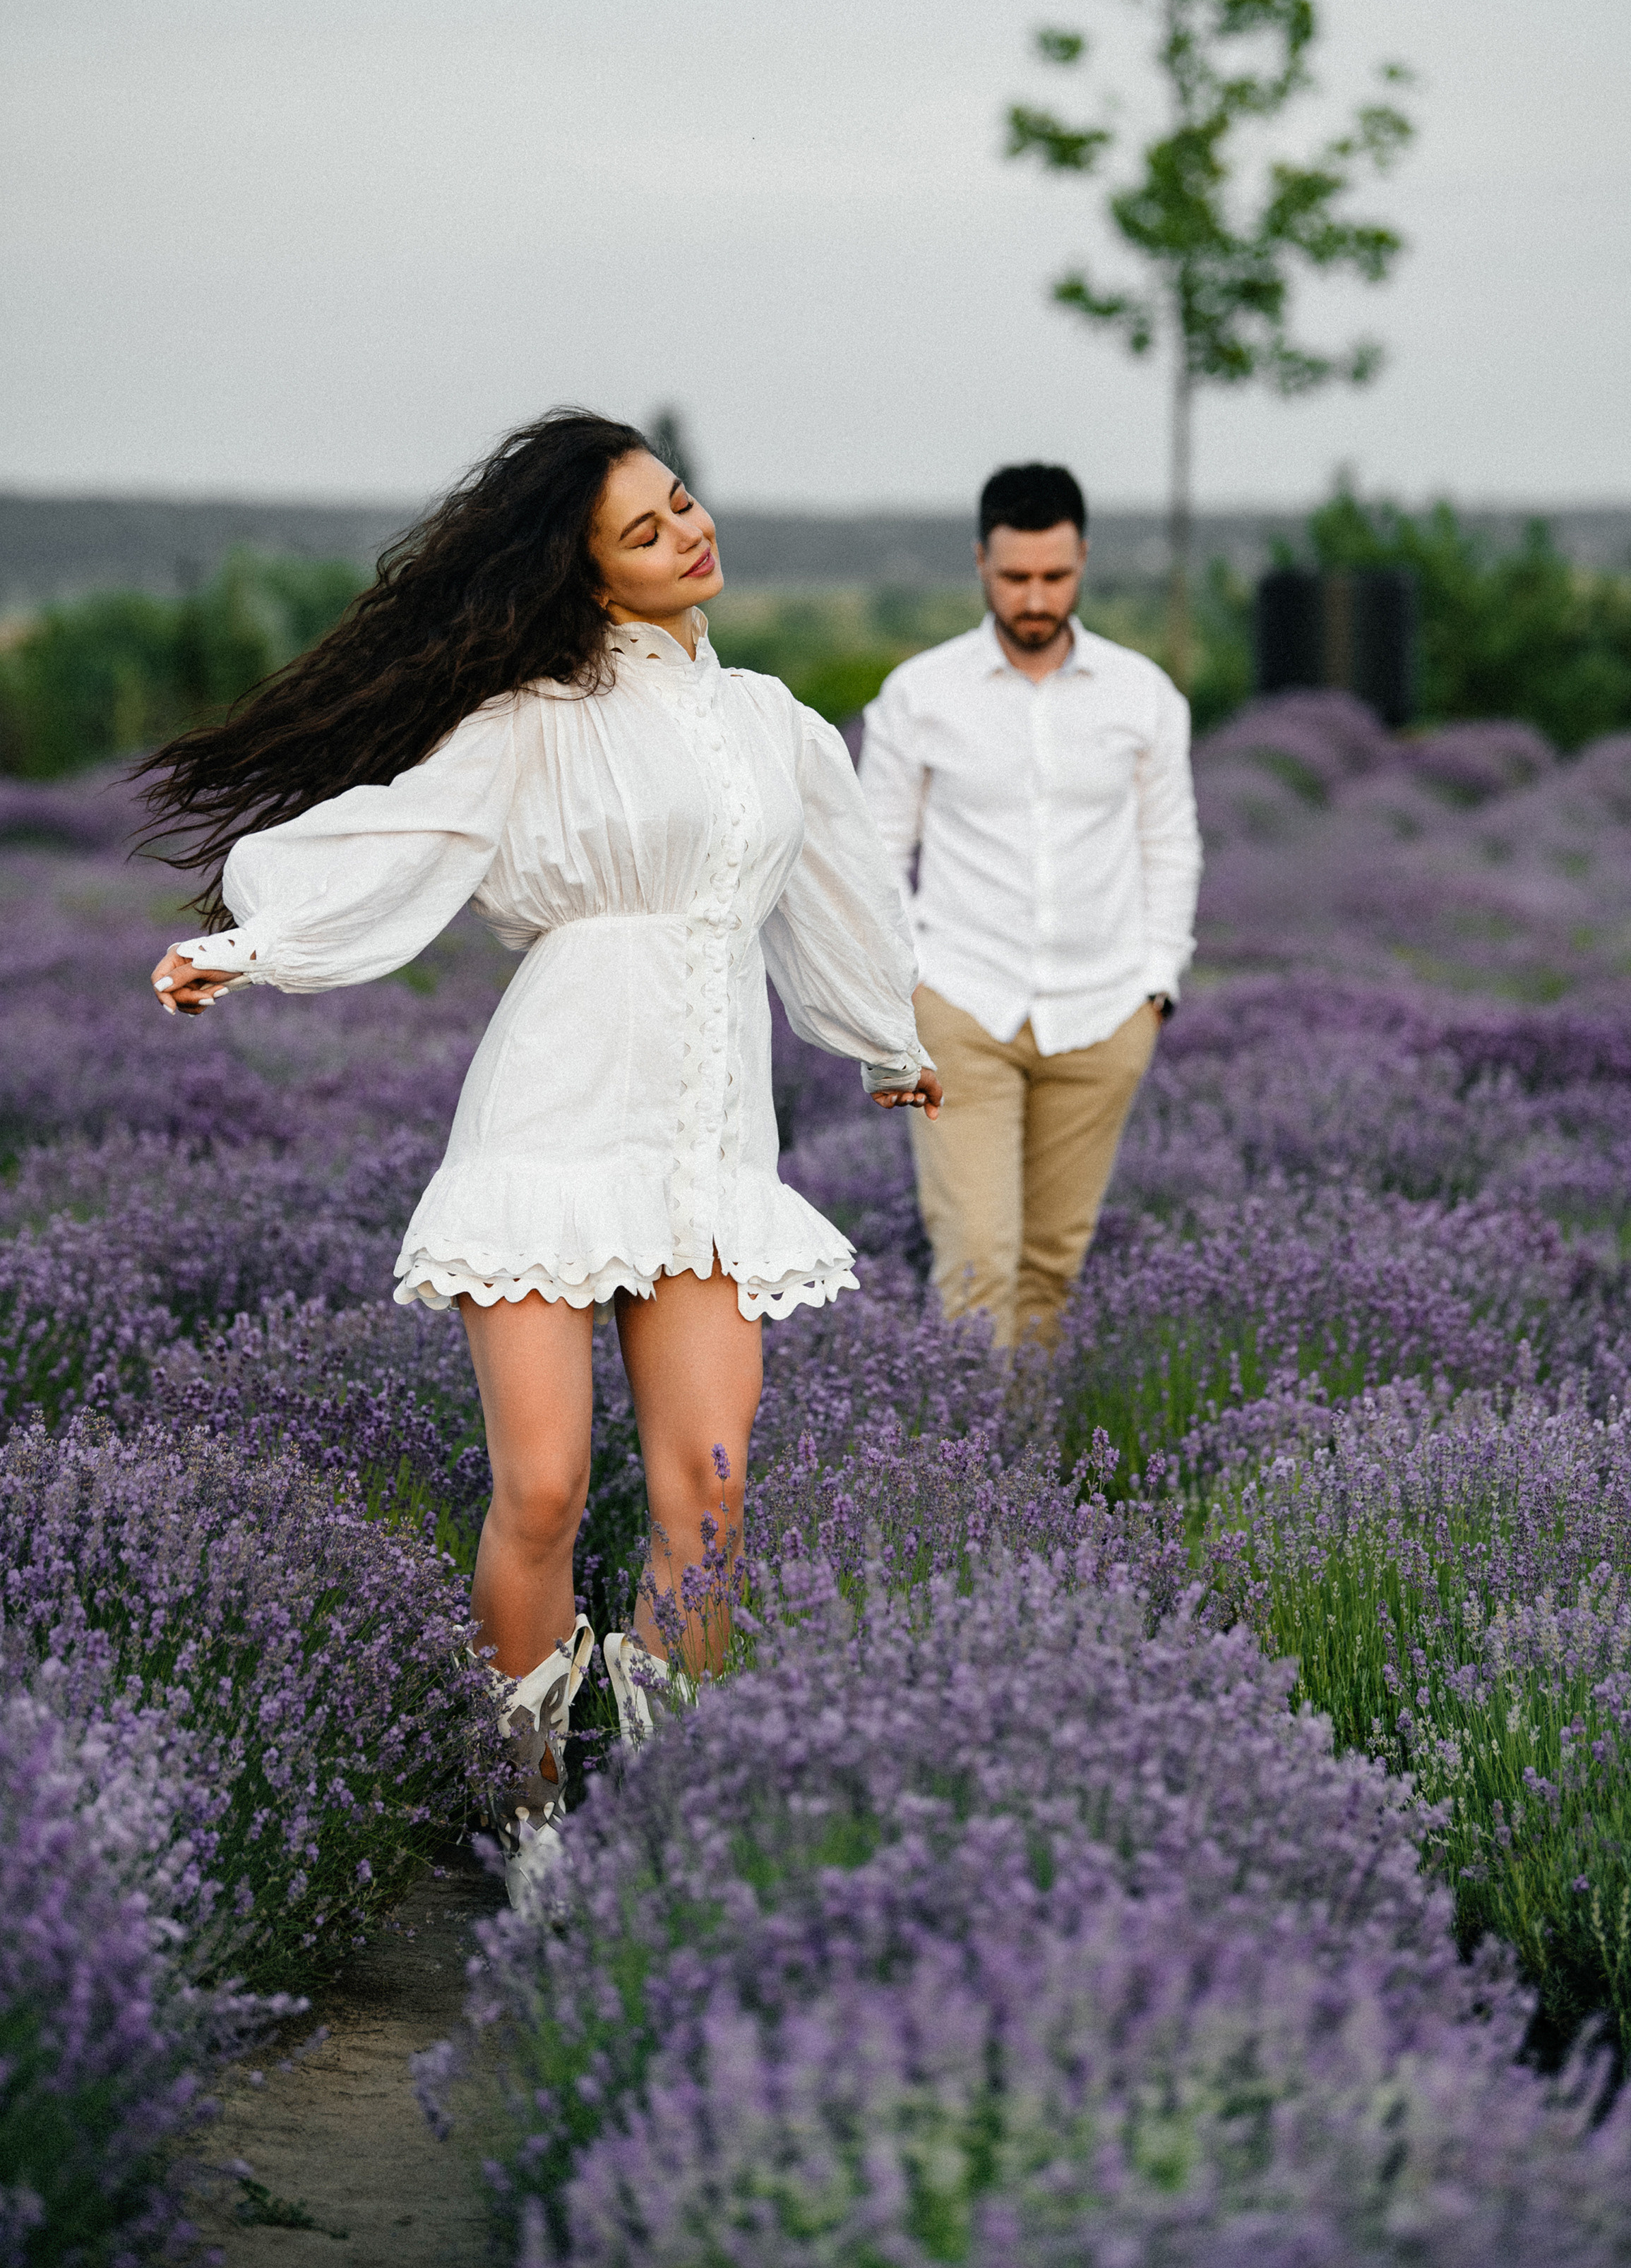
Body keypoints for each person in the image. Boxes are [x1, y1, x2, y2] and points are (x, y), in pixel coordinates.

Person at [140, 408, 940, 1896]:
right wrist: (248, 951)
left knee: (709, 1499)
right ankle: (518, 1817)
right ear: (586, 583)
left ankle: (659, 1812)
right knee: (547, 1490)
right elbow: (399, 838)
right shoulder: (527, 724)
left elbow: (830, 898)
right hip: (555, 1116)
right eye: (645, 532)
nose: (689, 533)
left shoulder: (776, 723)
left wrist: (889, 1043)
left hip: (710, 1139)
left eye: (683, 504)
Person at [857, 460, 1199, 1351]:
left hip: (1103, 1011)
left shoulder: (1143, 696)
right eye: (1015, 577)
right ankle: (970, 1482)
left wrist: (1154, 989)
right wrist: (912, 989)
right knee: (976, 1265)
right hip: (963, 1005)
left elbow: (1171, 847)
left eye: (1055, 575)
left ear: (1083, 559)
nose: (1036, 596)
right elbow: (875, 857)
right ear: (980, 562)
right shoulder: (919, 695)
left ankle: (1030, 1476)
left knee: (1054, 1264)